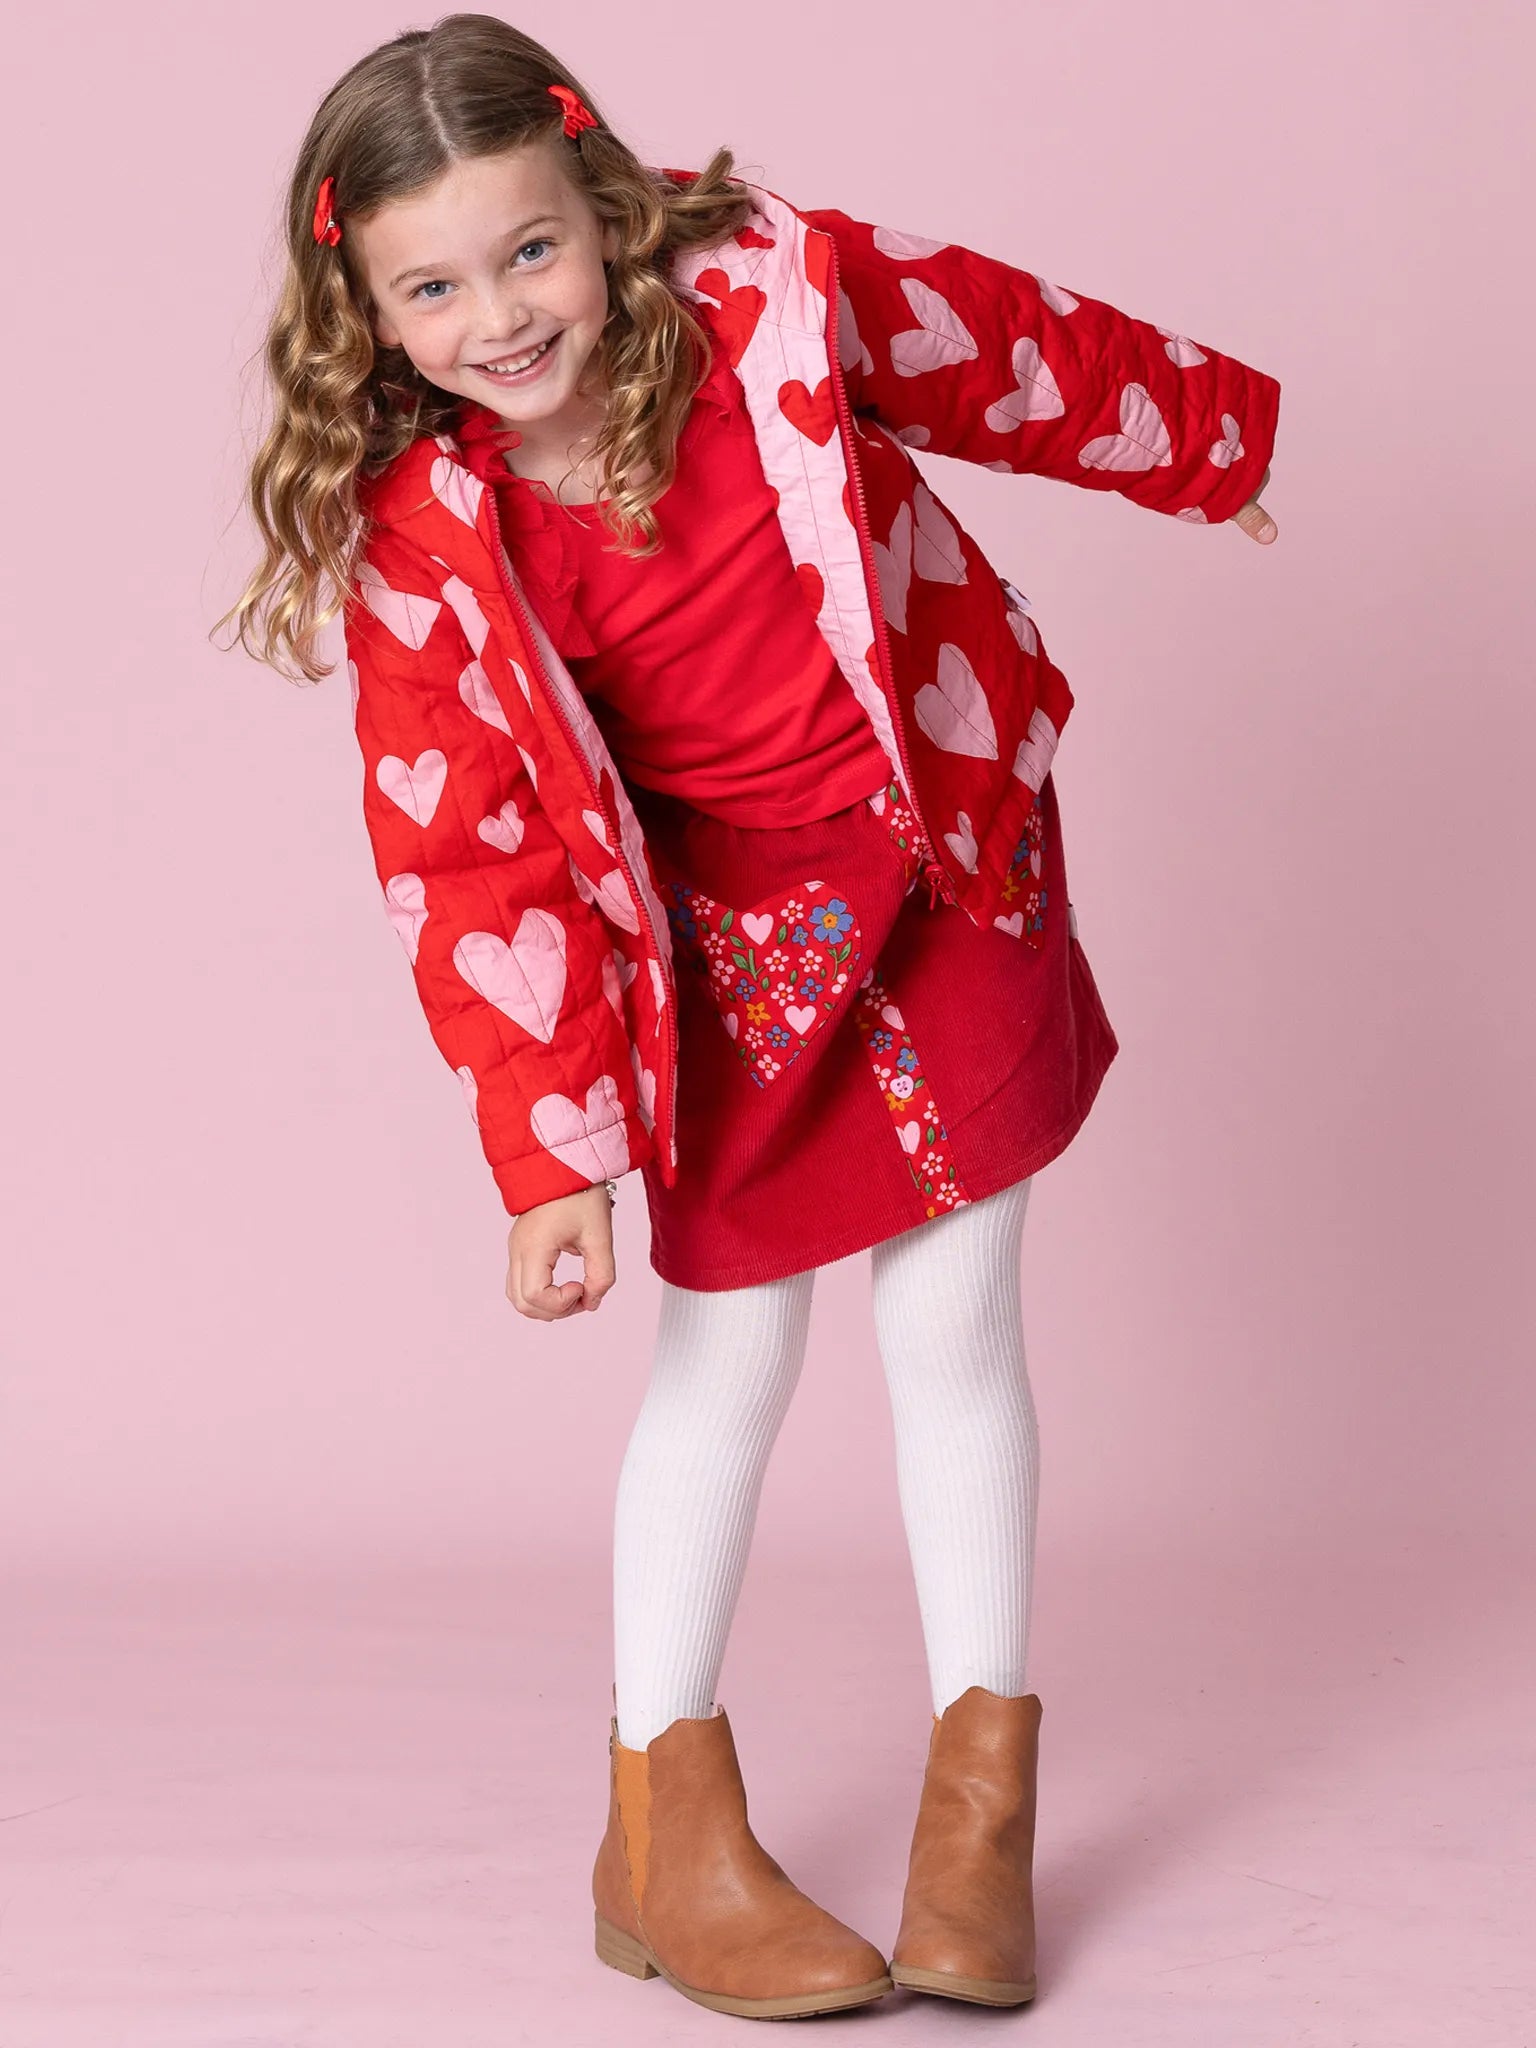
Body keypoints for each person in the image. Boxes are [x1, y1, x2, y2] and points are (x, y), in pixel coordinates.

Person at [219, 12, 1280, 2020]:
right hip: (728, 962)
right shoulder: (430, 556)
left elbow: (1003, 343)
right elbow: (475, 869)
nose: (499, 314)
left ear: (600, 207)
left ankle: (980, 1811)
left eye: (528, 250)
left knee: (959, 1322)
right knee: (732, 1363)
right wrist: (551, 1158)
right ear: (364, 308)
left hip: (946, 852)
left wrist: (1212, 445)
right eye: (431, 286)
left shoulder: (774, 304)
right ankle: (660, 1827)